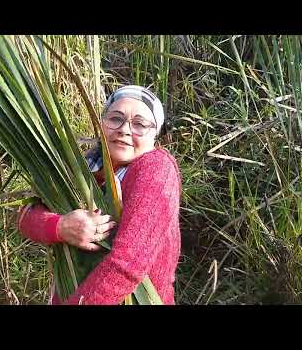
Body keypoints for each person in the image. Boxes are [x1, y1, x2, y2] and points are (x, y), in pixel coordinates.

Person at [16, 85, 182, 305]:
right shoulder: (83, 167)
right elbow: (24, 216)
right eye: (116, 119)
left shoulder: (155, 169)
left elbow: (127, 264)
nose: (124, 129)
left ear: (155, 135)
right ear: (101, 123)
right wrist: (61, 226)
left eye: (140, 124)